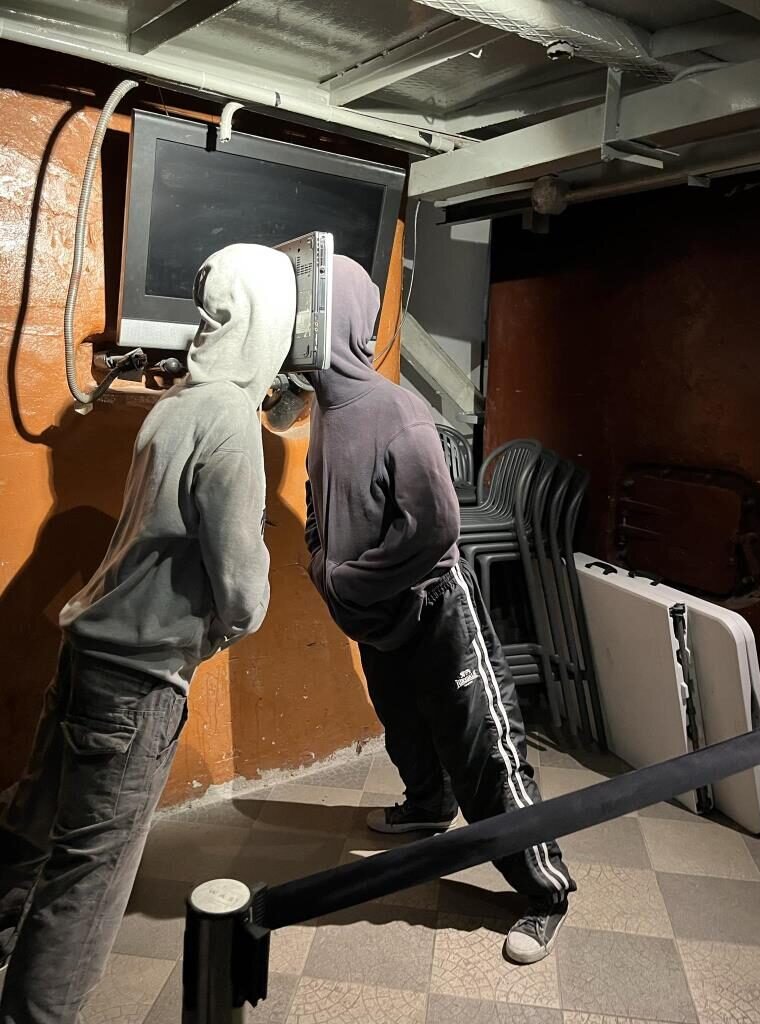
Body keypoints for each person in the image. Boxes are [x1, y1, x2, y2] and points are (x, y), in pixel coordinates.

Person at [0, 243, 296, 1022]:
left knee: (32, 831)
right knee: (88, 880)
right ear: (269, 322)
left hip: (86, 652)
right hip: (139, 681)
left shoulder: (176, 403)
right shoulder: (230, 419)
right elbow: (242, 587)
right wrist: (222, 632)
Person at [304, 255, 575, 965]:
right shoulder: (324, 411)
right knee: (404, 722)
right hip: (375, 614)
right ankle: (427, 806)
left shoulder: (396, 410)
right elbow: (317, 503)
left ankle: (546, 890)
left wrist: (348, 581)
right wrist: (322, 565)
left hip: (437, 608)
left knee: (483, 748)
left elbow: (434, 528)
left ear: (336, 319)